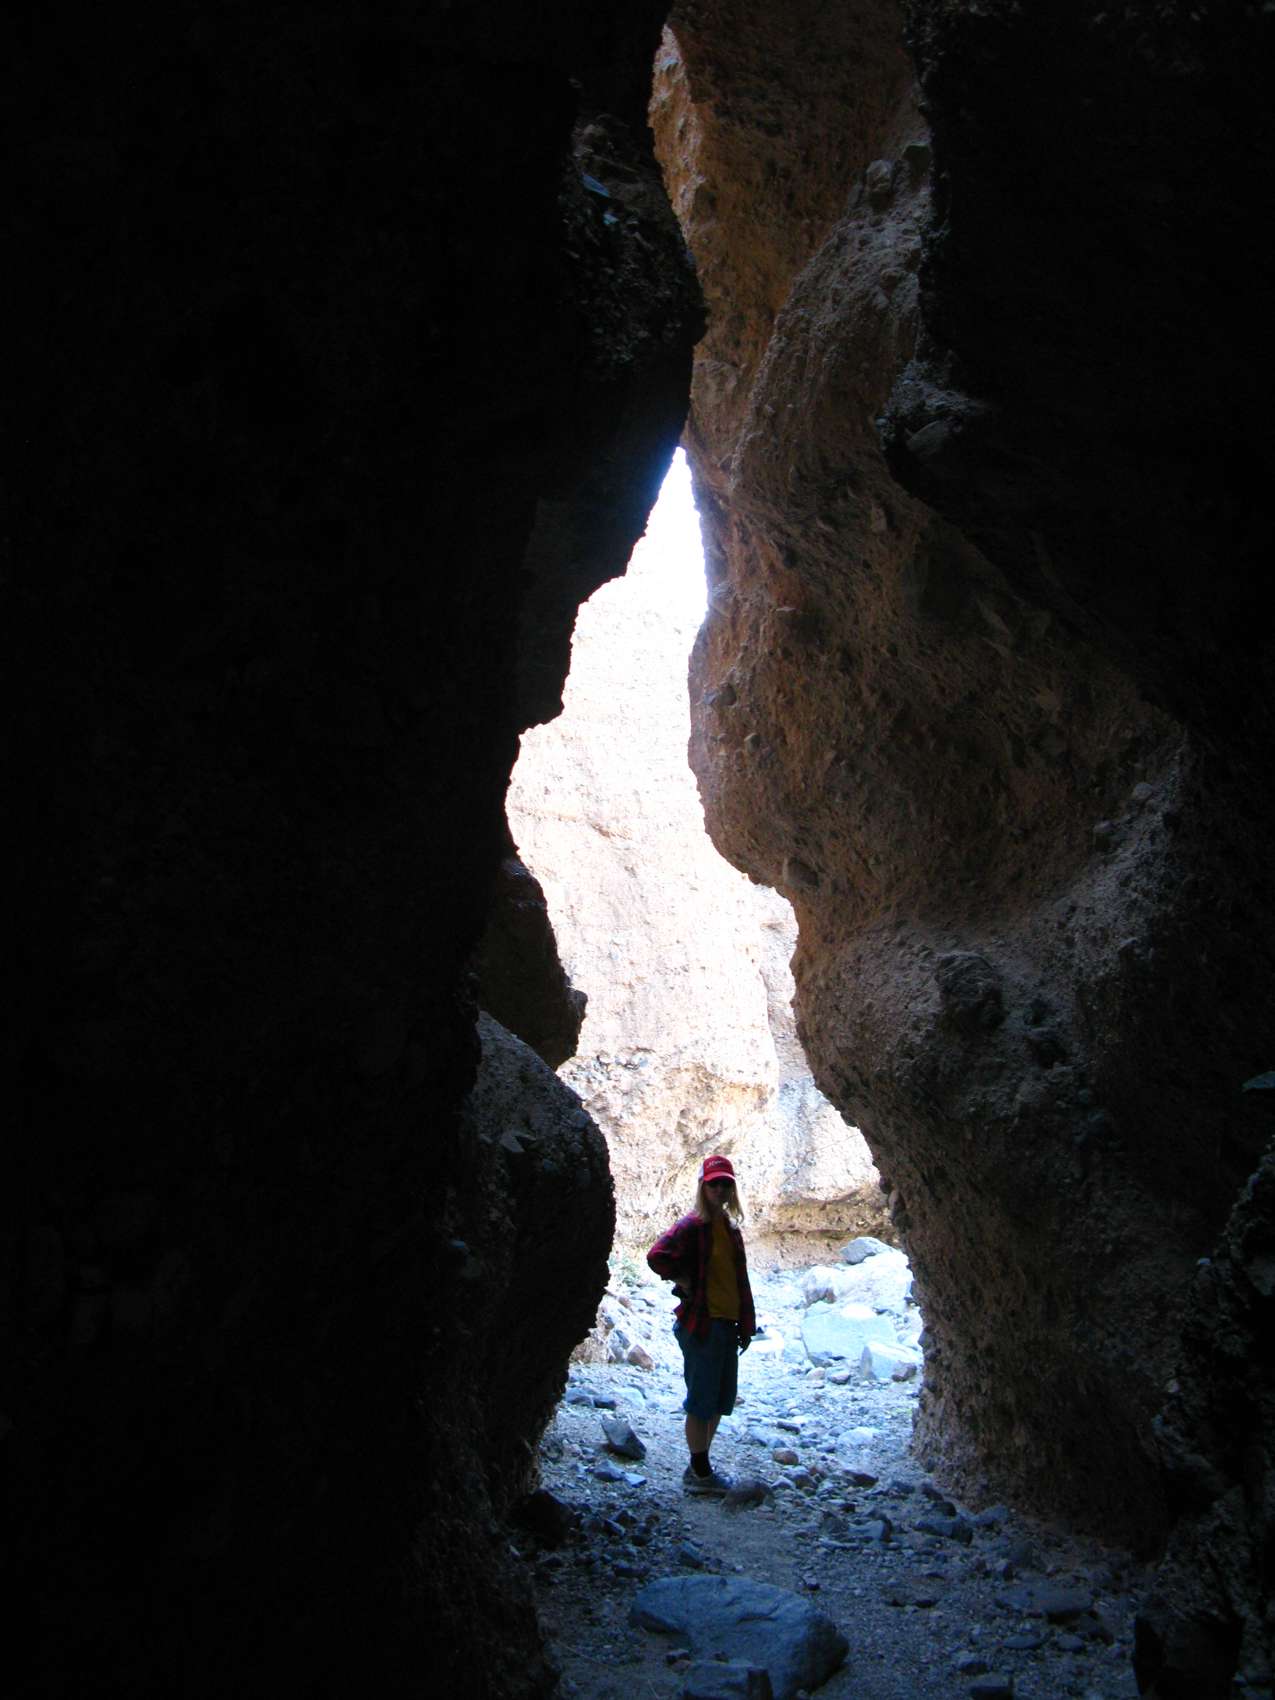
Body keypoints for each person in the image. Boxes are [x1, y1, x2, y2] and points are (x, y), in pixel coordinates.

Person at [646, 1153, 755, 1495]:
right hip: (702, 1324)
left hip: (726, 1324)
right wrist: (682, 1279)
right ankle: (700, 1472)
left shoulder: (730, 1230)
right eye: (713, 1184)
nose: (720, 1189)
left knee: (720, 1400)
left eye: (725, 1184)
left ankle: (699, 1465)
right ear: (703, 1187)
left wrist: (746, 1325)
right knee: (701, 1401)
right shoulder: (692, 1226)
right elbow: (656, 1256)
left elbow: (739, 1280)